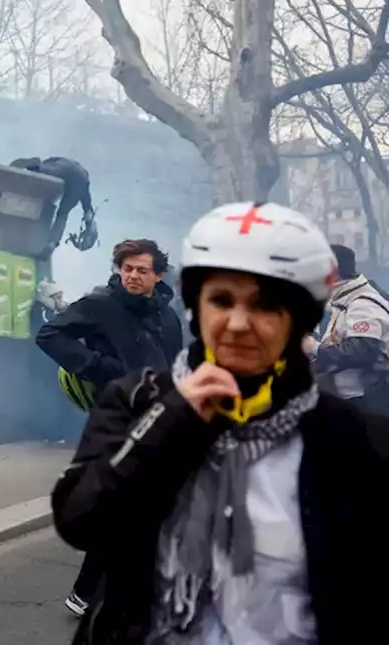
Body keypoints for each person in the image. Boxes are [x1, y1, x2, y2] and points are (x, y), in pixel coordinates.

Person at [53, 202, 389, 643]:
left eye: (265, 304)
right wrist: (173, 420)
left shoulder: (351, 436)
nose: (238, 323)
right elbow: (80, 520)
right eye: (221, 300)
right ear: (197, 308)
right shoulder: (138, 398)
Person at [36, 237, 184, 617]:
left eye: (141, 270)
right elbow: (50, 334)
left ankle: (98, 591)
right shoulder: (102, 304)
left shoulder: (167, 315)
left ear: (158, 274)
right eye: (127, 269)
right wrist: (99, 366)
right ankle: (92, 592)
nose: (133, 276)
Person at [308, 243, 389, 416]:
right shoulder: (343, 300)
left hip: (370, 400)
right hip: (351, 398)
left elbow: (362, 351)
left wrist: (313, 347)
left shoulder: (363, 303)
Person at [9, 156, 95, 257]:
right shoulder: (82, 177)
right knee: (63, 214)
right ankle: (52, 243)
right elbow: (87, 206)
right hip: (82, 179)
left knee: (42, 171)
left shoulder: (53, 162)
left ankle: (29, 166)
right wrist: (89, 222)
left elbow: (46, 169)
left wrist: (29, 168)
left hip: (63, 169)